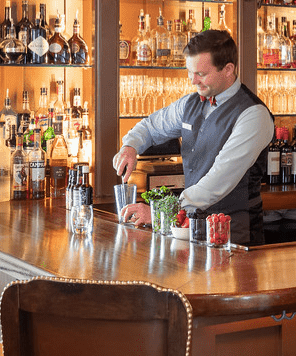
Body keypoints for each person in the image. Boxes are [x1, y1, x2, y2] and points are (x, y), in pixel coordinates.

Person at [114, 30, 274, 245]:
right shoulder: (190, 103)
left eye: (201, 74)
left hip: (233, 233)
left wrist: (161, 212)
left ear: (228, 69)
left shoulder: (253, 115)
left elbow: (220, 179)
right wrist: (130, 146)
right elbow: (151, 127)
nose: (193, 81)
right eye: (190, 72)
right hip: (190, 227)